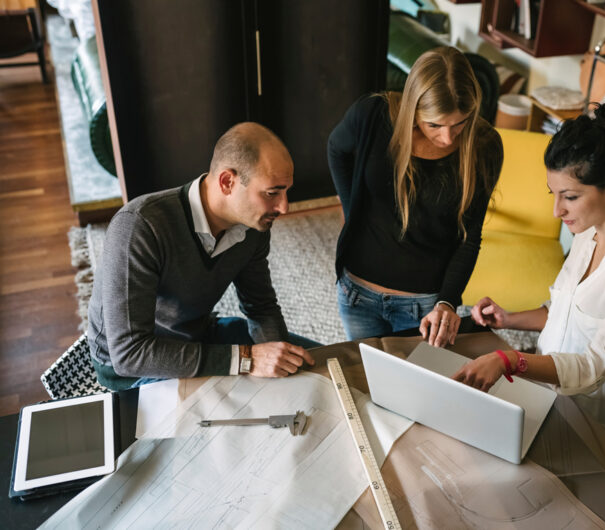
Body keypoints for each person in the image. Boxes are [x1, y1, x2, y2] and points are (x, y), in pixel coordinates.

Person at [453, 103, 605, 437]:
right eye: (554, 194)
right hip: (540, 391)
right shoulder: (588, 230)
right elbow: (564, 311)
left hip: (590, 419)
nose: (557, 210)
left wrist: (509, 359)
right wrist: (509, 319)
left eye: (570, 197)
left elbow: (593, 367)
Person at [88, 123, 318, 391]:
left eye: (286, 191)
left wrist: (280, 366)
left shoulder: (253, 226)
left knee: (317, 365)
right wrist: (247, 360)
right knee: (239, 419)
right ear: (227, 182)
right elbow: (130, 353)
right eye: (272, 193)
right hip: (133, 366)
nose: (284, 207)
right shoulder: (139, 226)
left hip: (197, 336)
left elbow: (261, 307)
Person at [327, 46, 503, 347]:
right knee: (365, 381)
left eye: (459, 123)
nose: (448, 137)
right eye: (434, 124)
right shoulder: (372, 114)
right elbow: (336, 149)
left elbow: (470, 237)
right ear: (413, 110)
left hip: (425, 308)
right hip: (357, 292)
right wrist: (350, 206)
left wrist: (447, 302)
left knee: (418, 388)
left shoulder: (484, 147)